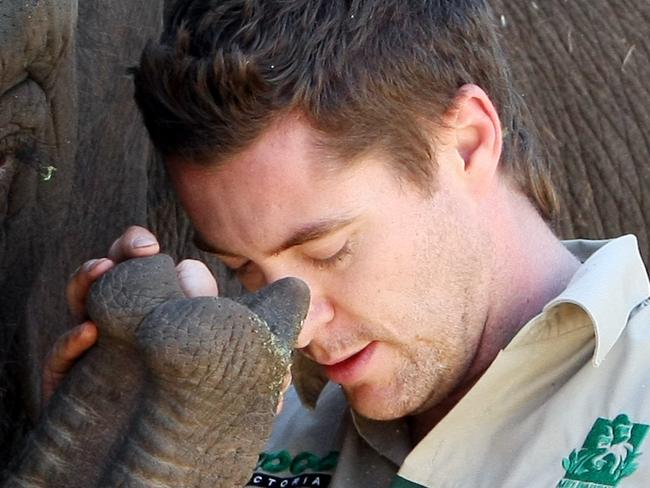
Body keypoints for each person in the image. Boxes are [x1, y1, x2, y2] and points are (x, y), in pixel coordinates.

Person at [42, 1, 650, 486]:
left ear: (467, 142)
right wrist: (110, 450)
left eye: (330, 251)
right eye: (243, 270)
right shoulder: (239, 426)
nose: (300, 332)